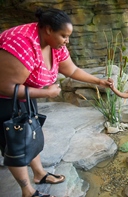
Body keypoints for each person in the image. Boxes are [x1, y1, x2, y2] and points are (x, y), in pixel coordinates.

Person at [0, 8, 112, 197]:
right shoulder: (22, 44)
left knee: (31, 134)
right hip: (4, 100)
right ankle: (27, 191)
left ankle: (39, 174)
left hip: (25, 95)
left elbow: (72, 70)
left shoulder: (55, 44)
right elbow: (4, 87)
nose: (67, 40)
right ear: (48, 30)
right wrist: (46, 92)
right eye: (64, 36)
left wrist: (98, 81)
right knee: (16, 146)